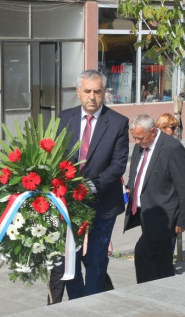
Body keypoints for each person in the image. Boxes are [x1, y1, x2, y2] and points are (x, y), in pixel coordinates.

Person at [48, 69, 129, 302]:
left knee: (95, 259)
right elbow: (54, 156)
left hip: (102, 203)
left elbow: (118, 166)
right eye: (87, 91)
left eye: (97, 91)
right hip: (69, 205)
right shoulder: (64, 118)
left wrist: (91, 187)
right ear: (78, 92)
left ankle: (91, 305)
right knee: (68, 259)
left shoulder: (117, 123)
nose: (92, 97)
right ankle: (76, 302)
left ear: (104, 93)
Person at [124, 114, 185, 283]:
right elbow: (137, 172)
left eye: (141, 138)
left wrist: (183, 219)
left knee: (143, 253)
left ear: (153, 132)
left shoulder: (172, 148)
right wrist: (130, 188)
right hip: (145, 212)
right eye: (134, 138)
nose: (137, 142)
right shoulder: (140, 145)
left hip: (165, 215)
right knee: (162, 260)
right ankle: (165, 289)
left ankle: (145, 293)